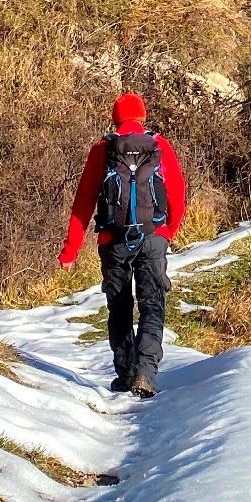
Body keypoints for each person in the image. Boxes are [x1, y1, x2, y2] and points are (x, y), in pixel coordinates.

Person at [59, 92, 186, 397]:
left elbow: (83, 203)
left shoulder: (104, 148)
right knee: (152, 305)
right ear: (143, 117)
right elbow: (177, 193)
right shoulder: (159, 145)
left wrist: (70, 250)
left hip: (112, 240)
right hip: (153, 236)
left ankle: (125, 373)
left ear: (115, 118)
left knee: (119, 307)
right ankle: (145, 372)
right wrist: (169, 230)